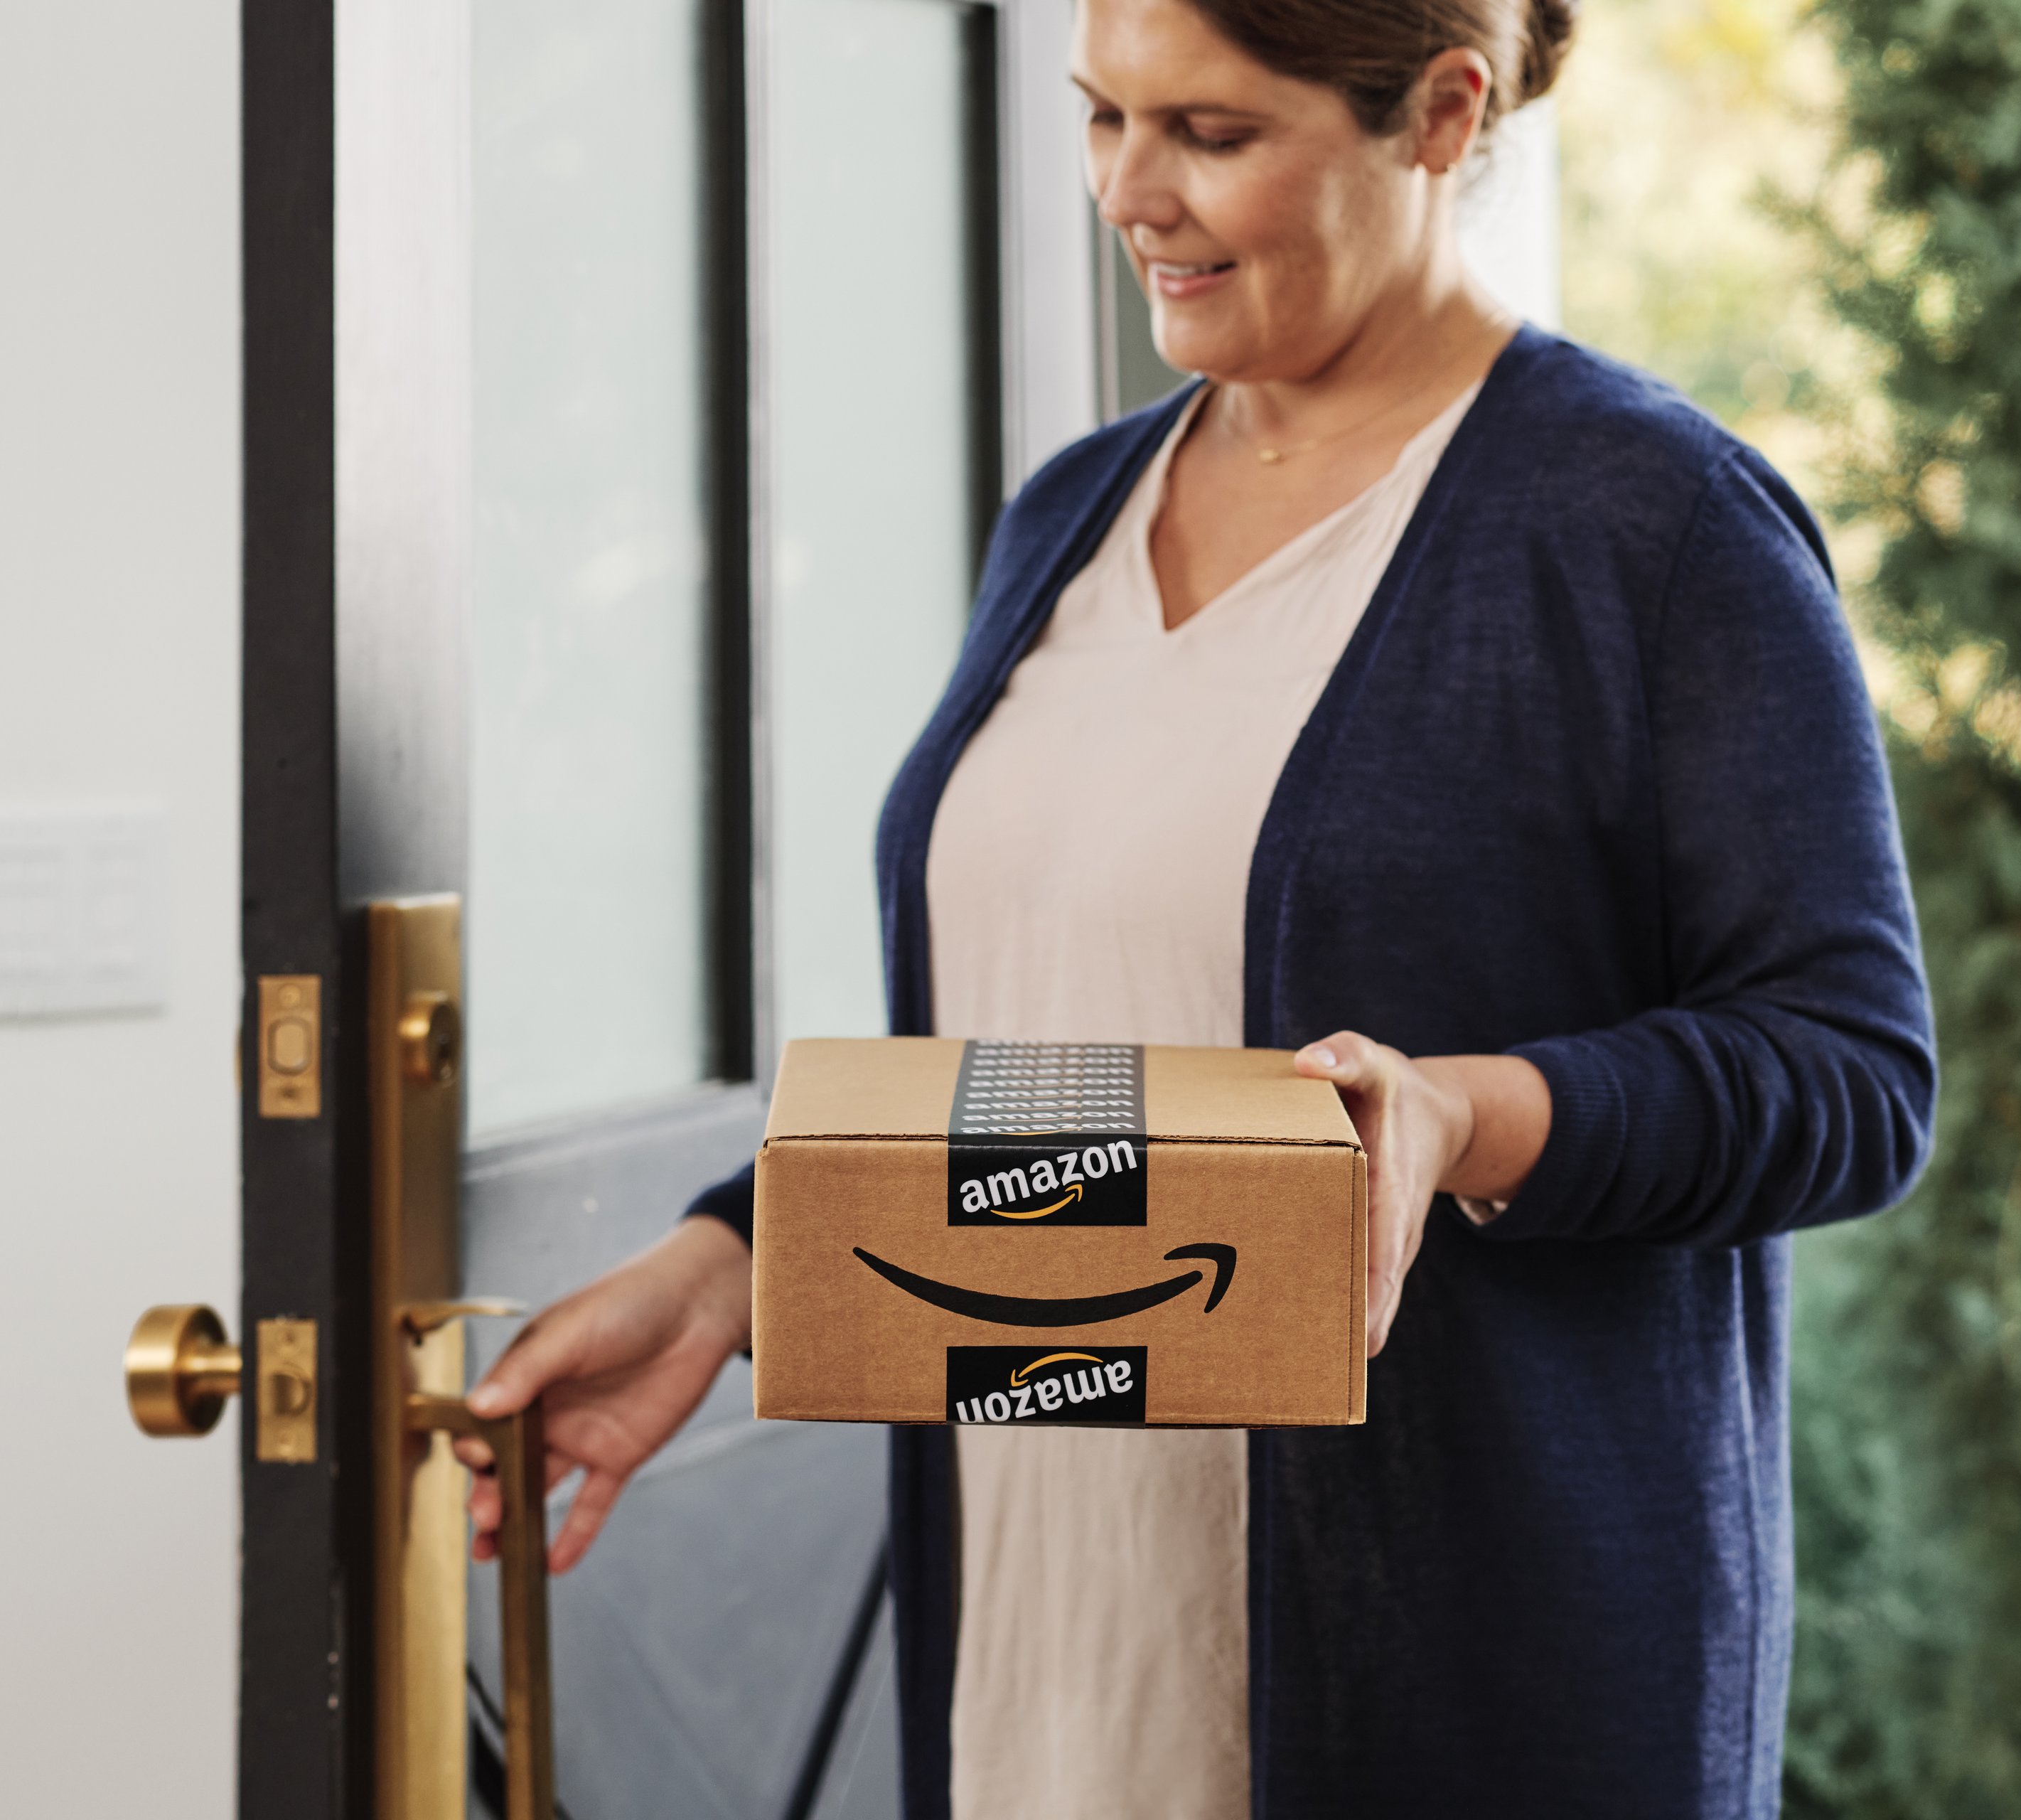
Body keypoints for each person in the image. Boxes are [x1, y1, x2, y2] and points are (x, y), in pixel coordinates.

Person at [456, 0, 1936, 1812]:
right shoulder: (1071, 515)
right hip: (1051, 1655)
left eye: (1213, 135)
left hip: (1462, 1682)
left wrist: (1460, 1113)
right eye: (1102, 119)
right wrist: (731, 1261)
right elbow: (1053, 1046)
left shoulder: (1660, 527)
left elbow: (1852, 1072)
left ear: (1443, 113)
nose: (1129, 193)